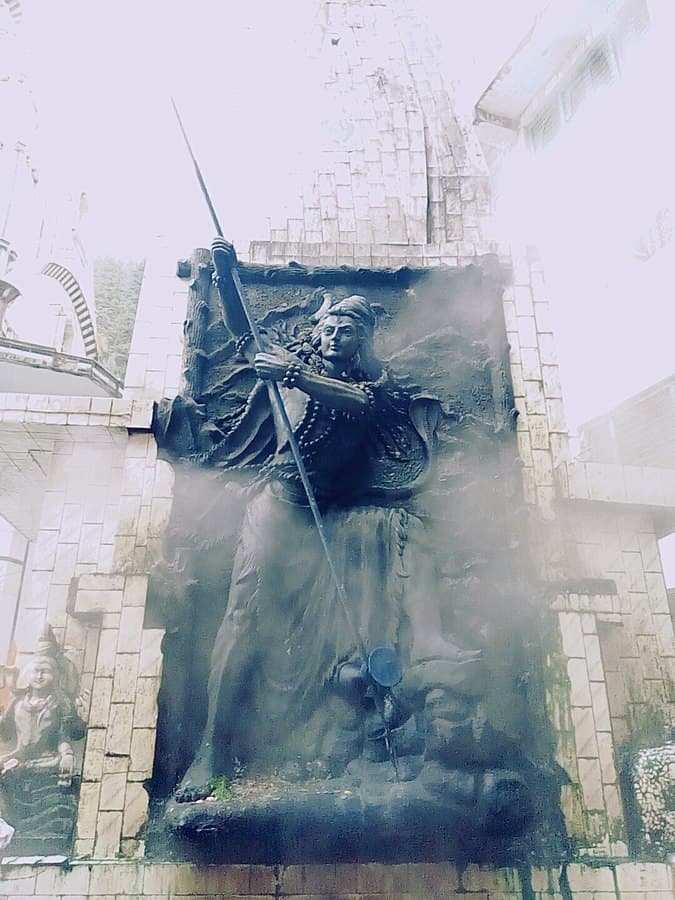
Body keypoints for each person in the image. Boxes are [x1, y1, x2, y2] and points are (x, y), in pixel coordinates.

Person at [174, 239, 481, 801]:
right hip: (278, 510)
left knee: (341, 626)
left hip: (331, 520)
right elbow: (244, 333)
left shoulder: (368, 385)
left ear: (364, 341)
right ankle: (210, 753)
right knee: (242, 620)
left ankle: (346, 730)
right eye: (331, 327)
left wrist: (293, 372)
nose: (338, 336)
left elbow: (358, 404)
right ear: (316, 333)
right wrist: (224, 274)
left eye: (350, 331)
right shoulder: (282, 370)